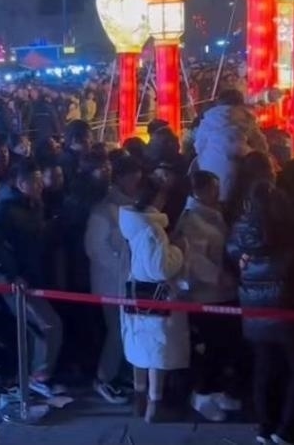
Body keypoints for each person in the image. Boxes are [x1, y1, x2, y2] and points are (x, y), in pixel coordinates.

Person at [227, 152, 294, 445]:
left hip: (253, 305)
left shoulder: (240, 227)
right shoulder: (286, 225)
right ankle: (288, 431)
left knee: (264, 365)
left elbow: (232, 256)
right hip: (285, 304)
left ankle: (265, 426)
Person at [0, 159, 65, 398]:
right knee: (50, 324)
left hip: (33, 277)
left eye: (39, 179)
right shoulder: (6, 208)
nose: (39, 185)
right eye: (34, 181)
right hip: (15, 282)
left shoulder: (35, 205)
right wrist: (7, 274)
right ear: (19, 183)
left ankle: (33, 375)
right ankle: (39, 375)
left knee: (36, 329)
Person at [118, 176, 188, 423]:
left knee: (139, 348)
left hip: (134, 293)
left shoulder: (131, 223)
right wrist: (178, 250)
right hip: (155, 297)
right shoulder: (152, 229)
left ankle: (139, 398)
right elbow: (160, 268)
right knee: (156, 350)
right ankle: (154, 405)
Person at [174, 170, 242, 422]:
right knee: (210, 346)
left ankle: (217, 389)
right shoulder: (191, 219)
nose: (217, 193)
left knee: (225, 343)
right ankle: (202, 393)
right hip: (206, 294)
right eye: (213, 188)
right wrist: (217, 276)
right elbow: (193, 259)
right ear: (199, 191)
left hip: (223, 292)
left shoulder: (213, 213)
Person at [85, 155, 142, 405]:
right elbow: (95, 248)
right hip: (111, 284)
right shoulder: (103, 210)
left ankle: (118, 374)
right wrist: (122, 267)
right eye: (132, 178)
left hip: (126, 282)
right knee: (117, 332)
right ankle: (103, 378)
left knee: (125, 330)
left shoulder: (131, 205)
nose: (136, 183)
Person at [190, 89, 268, 206]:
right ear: (240, 103)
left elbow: (198, 147)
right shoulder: (246, 118)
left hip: (209, 177)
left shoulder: (208, 119)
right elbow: (262, 147)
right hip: (240, 178)